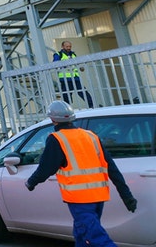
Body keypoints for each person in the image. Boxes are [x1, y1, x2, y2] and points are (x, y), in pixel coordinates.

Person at [25, 101, 137, 247]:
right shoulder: (91, 136)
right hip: (98, 196)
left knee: (96, 237)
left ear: (52, 120)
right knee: (81, 234)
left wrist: (31, 182)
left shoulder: (57, 139)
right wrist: (126, 196)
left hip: (80, 199)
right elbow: (111, 168)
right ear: (72, 117)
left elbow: (45, 169)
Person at [54, 41, 94, 108]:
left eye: (70, 46)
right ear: (63, 47)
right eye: (67, 46)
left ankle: (92, 106)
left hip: (75, 77)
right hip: (65, 78)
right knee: (66, 95)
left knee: (83, 92)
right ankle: (67, 108)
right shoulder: (58, 54)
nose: (69, 48)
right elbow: (55, 64)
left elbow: (75, 64)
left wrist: (80, 67)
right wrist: (65, 65)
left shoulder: (73, 54)